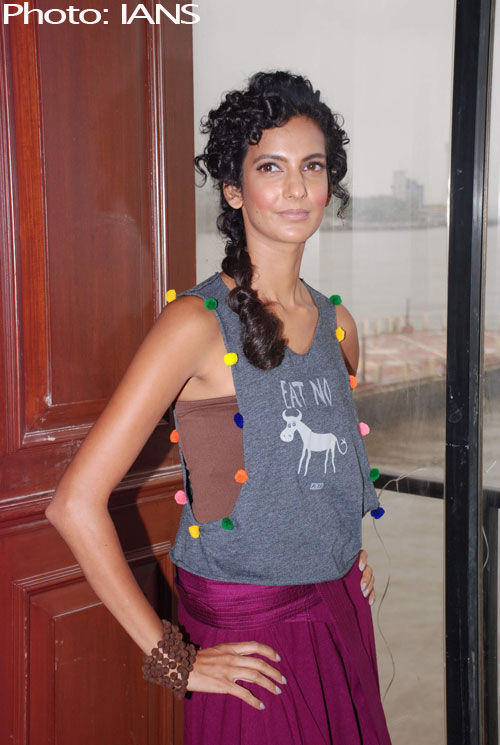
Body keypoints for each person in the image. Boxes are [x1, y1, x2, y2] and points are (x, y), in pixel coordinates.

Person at [45, 70, 392, 745]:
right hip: (251, 643)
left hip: (340, 611)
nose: (296, 187)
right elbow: (74, 503)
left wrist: (336, 551)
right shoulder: (195, 323)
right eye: (271, 167)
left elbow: (314, 476)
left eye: (312, 166)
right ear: (234, 190)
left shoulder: (339, 325)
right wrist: (176, 660)